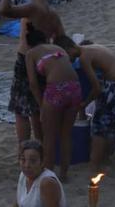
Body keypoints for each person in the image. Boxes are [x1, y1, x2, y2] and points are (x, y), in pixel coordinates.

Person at [0, 0, 65, 147]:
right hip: (45, 62)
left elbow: (4, 10)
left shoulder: (32, 7)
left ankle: (24, 149)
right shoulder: (53, 15)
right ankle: (40, 146)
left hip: (26, 59)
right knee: (37, 107)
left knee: (21, 110)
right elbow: (61, 40)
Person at [25, 25, 80, 180]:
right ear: (45, 40)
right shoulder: (57, 47)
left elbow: (33, 84)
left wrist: (42, 105)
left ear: (30, 44)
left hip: (56, 89)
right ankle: (64, 174)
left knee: (49, 136)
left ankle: (48, 176)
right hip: (75, 87)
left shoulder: (31, 53)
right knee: (66, 134)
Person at [77, 43, 115, 174]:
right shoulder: (96, 49)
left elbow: (96, 88)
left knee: (99, 128)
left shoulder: (84, 57)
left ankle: (94, 165)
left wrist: (85, 103)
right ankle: (106, 159)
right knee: (113, 126)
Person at [14, 140, 66, 207]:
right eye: (23, 159)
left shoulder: (47, 183)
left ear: (42, 162)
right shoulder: (23, 175)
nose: (27, 165)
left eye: (33, 161)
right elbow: (18, 203)